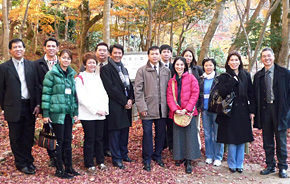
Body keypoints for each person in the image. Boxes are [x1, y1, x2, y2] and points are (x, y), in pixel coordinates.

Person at [0, 38, 40, 175]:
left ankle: (28, 159)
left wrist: (37, 104)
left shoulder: (31, 65)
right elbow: (1, 89)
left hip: (29, 106)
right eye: (15, 47)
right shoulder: (4, 67)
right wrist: (4, 106)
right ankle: (21, 163)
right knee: (16, 136)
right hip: (13, 106)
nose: (18, 49)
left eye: (20, 47)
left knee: (28, 136)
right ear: (10, 50)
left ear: (24, 49)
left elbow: (36, 86)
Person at [42, 49, 80, 179]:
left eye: (68, 58)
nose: (66, 60)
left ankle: (69, 166)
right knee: (59, 141)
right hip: (56, 114)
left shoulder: (71, 75)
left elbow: (74, 95)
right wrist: (45, 114)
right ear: (59, 58)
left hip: (68, 114)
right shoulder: (51, 74)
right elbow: (46, 94)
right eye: (64, 58)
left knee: (68, 141)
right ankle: (59, 169)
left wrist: (75, 112)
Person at [253, 47, 290, 178]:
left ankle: (283, 167)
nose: (266, 58)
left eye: (269, 56)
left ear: (273, 57)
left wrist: (287, 108)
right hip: (264, 110)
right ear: (261, 59)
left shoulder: (285, 73)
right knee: (267, 139)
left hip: (280, 110)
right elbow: (254, 95)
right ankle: (270, 165)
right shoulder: (258, 75)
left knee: (281, 140)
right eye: (264, 56)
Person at [215, 51, 254, 173]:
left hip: (243, 110)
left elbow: (251, 93)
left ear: (240, 62)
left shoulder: (246, 75)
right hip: (229, 111)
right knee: (231, 138)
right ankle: (231, 164)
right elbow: (221, 92)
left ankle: (239, 163)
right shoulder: (224, 76)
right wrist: (232, 81)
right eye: (231, 60)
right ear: (228, 62)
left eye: (236, 60)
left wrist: (252, 111)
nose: (234, 62)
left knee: (242, 138)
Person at [134, 46, 171, 171]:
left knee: (161, 134)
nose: (155, 56)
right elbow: (138, 91)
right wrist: (142, 107)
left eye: (157, 54)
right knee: (147, 134)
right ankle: (147, 158)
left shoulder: (166, 71)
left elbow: (170, 90)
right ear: (148, 55)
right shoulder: (142, 71)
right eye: (152, 54)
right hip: (148, 108)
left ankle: (158, 155)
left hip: (163, 108)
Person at [100, 44, 134, 170]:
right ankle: (116, 158)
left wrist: (131, 99)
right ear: (110, 54)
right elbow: (111, 88)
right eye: (115, 53)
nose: (118, 55)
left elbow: (129, 85)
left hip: (126, 105)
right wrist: (124, 101)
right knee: (115, 132)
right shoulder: (106, 69)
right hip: (115, 105)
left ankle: (124, 154)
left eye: (120, 53)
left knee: (125, 131)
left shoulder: (124, 68)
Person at [75, 52, 109, 172]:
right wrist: (95, 110)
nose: (92, 65)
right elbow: (82, 97)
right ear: (85, 64)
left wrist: (104, 109)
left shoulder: (97, 77)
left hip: (101, 114)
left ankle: (100, 161)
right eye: (89, 62)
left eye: (93, 62)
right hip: (88, 114)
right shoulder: (80, 78)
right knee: (90, 138)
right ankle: (89, 163)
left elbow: (104, 94)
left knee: (99, 138)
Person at [166, 56, 200, 174]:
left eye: (181, 65)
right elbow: (169, 96)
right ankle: (179, 156)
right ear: (174, 66)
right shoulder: (172, 81)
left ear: (185, 66)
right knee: (178, 136)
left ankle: (189, 160)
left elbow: (195, 94)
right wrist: (175, 109)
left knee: (189, 136)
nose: (179, 67)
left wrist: (187, 109)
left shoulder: (191, 78)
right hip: (177, 112)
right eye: (177, 65)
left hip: (188, 112)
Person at [34, 37, 59, 167]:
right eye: (48, 46)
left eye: (53, 46)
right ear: (44, 48)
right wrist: (39, 105)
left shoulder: (63, 63)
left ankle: (61, 155)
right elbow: (36, 86)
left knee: (61, 129)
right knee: (49, 130)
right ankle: (52, 156)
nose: (51, 48)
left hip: (61, 104)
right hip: (46, 103)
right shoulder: (38, 64)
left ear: (57, 48)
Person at [197, 58, 224, 166]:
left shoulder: (219, 78)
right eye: (206, 65)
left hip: (216, 110)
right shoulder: (201, 79)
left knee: (217, 134)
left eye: (210, 65)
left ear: (214, 66)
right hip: (205, 110)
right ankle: (209, 155)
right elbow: (198, 94)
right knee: (207, 134)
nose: (208, 67)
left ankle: (218, 156)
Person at [181, 49, 203, 149]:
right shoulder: (179, 68)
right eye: (186, 56)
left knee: (196, 127)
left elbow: (200, 87)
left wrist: (199, 104)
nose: (188, 58)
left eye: (190, 56)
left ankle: (196, 147)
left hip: (195, 103)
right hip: (181, 104)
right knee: (183, 127)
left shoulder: (197, 69)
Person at [94, 42, 111, 157]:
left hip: (108, 99)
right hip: (94, 100)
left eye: (104, 50)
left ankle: (106, 148)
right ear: (96, 52)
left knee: (107, 125)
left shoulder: (111, 65)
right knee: (95, 127)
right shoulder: (89, 64)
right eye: (100, 50)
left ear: (108, 53)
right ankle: (95, 150)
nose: (102, 52)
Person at [160, 44, 174, 153]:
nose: (166, 54)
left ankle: (172, 146)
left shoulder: (175, 67)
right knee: (160, 125)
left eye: (168, 52)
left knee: (171, 124)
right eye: (164, 51)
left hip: (173, 101)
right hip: (160, 100)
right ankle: (162, 145)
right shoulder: (157, 66)